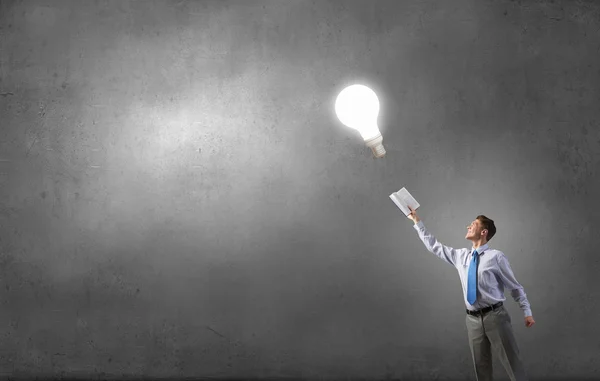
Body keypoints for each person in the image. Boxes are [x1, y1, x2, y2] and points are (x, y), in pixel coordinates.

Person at [407, 205, 534, 381]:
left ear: (483, 232)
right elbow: (434, 246)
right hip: (472, 320)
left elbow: (515, 287)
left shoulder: (496, 257)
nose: (468, 226)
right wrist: (417, 221)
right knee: (481, 370)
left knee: (513, 365)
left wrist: (526, 312)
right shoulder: (461, 256)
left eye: (473, 224)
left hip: (495, 317)